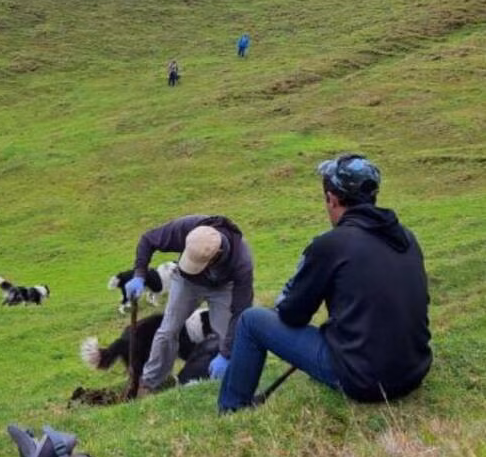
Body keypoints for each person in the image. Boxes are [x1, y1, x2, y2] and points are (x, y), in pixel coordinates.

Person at [217, 153, 432, 413]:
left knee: (251, 321)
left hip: (364, 381)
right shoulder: (407, 237)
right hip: (415, 370)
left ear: (332, 198)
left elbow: (292, 314)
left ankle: (232, 410)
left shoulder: (331, 244)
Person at [124, 216, 254, 396]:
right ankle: (148, 384)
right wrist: (139, 274)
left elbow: (241, 311)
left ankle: (232, 383)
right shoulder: (187, 228)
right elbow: (148, 240)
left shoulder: (241, 261)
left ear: (217, 255)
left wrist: (225, 354)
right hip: (187, 281)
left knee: (229, 336)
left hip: (224, 287)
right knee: (167, 331)